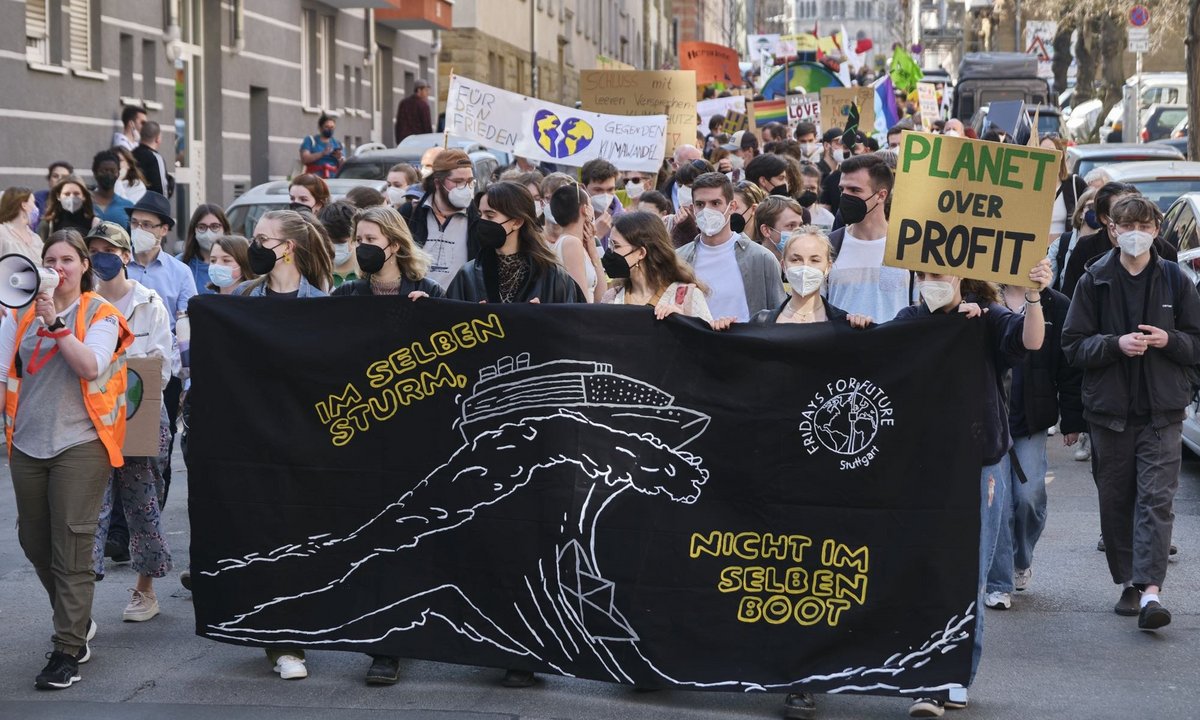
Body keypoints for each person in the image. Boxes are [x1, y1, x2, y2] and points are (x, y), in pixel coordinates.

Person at [902, 258, 1053, 717]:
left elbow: (1031, 341)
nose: (930, 284)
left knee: (968, 573)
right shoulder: (909, 321)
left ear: (960, 277)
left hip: (978, 465)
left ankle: (952, 677)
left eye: (938, 276)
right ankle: (924, 675)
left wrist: (1032, 296)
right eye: (922, 276)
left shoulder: (986, 316)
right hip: (923, 467)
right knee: (924, 569)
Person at [1, 229, 134, 690]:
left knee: (72, 548)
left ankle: (67, 649)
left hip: (82, 444)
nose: (58, 267)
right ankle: (76, 620)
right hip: (27, 444)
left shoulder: (102, 314)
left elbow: (90, 366)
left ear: (84, 267)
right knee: (36, 543)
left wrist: (55, 322)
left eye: (67, 260)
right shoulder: (18, 314)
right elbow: (3, 374)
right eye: (50, 260)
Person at [1061, 195, 1200, 633]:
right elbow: (1072, 344)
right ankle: (1129, 581)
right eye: (1127, 225)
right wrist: (1113, 344)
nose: (1136, 232)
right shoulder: (1093, 280)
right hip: (1110, 413)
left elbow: (1197, 342)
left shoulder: (1177, 281)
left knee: (1157, 501)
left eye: (1144, 224)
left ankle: (1151, 590)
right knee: (1117, 500)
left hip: (1162, 411)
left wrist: (1170, 340)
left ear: (1156, 230)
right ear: (1113, 230)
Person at [84, 222, 175, 619]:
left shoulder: (148, 301)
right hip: (91, 420)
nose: (101, 257)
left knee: (143, 505)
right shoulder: (84, 304)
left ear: (124, 255)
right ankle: (80, 603)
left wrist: (118, 372)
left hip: (140, 416)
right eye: (95, 250)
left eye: (109, 250)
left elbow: (162, 365)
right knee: (90, 509)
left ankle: (145, 591)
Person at [984, 280, 1083, 610]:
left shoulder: (1056, 304)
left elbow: (1068, 366)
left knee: (1028, 498)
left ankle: (1020, 558)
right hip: (992, 418)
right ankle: (998, 582)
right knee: (998, 504)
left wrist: (1072, 420)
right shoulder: (980, 296)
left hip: (1032, 418)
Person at [124, 192, 197, 506]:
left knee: (156, 446)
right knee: (118, 446)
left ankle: (153, 506)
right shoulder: (119, 265)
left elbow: (187, 324)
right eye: (135, 223)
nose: (139, 229)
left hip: (161, 368)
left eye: (147, 224)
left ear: (164, 230)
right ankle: (117, 527)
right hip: (120, 363)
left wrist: (188, 376)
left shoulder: (179, 273)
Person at [675, 172, 786, 322]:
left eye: (715, 203)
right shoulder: (679, 259)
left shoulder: (761, 258)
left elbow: (778, 315)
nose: (707, 211)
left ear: (732, 206)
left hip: (744, 343)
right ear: (692, 208)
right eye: (700, 204)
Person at [446, 182, 579, 305]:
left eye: (490, 215)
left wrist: (541, 318)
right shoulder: (468, 275)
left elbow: (570, 324)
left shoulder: (553, 277)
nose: (482, 221)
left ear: (517, 222)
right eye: (480, 214)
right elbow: (446, 321)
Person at [825, 154, 909, 321]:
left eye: (855, 190)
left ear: (881, 195)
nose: (846, 196)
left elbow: (923, 310)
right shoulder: (829, 246)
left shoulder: (907, 245)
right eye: (842, 190)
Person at [1060, 183, 1175, 302]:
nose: (1129, 213)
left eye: (1135, 207)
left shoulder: (1164, 251)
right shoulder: (1086, 249)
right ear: (1106, 219)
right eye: (1119, 210)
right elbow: (1070, 299)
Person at [601, 210, 715, 325]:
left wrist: (683, 323)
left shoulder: (687, 296)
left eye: (615, 245)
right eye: (609, 244)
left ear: (641, 253)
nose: (610, 252)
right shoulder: (612, 297)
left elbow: (708, 340)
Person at [332, 205, 443, 301]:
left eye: (370, 239)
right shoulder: (347, 292)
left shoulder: (429, 290)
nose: (363, 246)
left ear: (394, 245)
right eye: (359, 240)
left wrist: (427, 307)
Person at [404, 149, 480, 289]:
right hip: (419, 302)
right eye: (458, 181)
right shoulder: (410, 213)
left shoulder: (479, 219)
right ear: (438, 183)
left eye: (469, 181)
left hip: (460, 305)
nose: (465, 187)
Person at [236, 209, 332, 298]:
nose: (254, 246)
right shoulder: (243, 292)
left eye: (262, 239)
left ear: (288, 246)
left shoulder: (317, 300)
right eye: (254, 239)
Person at [546, 184, 603, 302]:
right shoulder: (571, 243)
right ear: (585, 209)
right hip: (581, 318)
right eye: (590, 204)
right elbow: (580, 299)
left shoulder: (579, 243)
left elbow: (601, 296)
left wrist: (593, 253)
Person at [1048, 187, 1099, 293]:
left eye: (1101, 209)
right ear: (1081, 212)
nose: (1097, 212)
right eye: (1092, 206)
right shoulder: (1062, 244)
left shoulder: (1108, 246)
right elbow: (1047, 284)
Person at [178, 204, 232, 297]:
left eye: (214, 227)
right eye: (202, 227)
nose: (208, 233)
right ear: (194, 231)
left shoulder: (237, 264)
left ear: (225, 229)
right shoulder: (180, 264)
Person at [1042, 136, 1087, 237]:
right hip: (1036, 250)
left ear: (1061, 155)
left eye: (1051, 150)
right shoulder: (1029, 188)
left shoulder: (1075, 184)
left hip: (1065, 251)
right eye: (1041, 151)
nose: (1046, 154)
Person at [665, 159, 714, 248]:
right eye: (680, 186)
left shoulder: (717, 223)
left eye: (690, 186)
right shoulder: (668, 222)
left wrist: (688, 228)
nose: (682, 191)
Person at [580, 159, 623, 250]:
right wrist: (596, 235)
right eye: (598, 190)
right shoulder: (573, 219)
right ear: (583, 188)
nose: (605, 195)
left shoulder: (624, 220)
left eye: (610, 189)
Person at [38, 177, 97, 241]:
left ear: (84, 196)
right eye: (67, 194)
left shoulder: (94, 223)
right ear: (58, 196)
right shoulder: (48, 224)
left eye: (76, 194)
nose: (71, 197)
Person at [318, 201, 361, 288]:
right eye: (331, 242)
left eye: (342, 242)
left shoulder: (368, 275)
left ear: (356, 237)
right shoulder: (316, 277)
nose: (334, 248)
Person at [750, 195, 807, 262]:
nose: (798, 232)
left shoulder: (804, 265)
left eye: (800, 225)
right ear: (766, 230)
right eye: (791, 226)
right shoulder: (748, 265)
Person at [89, 151, 134, 232]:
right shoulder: (84, 202)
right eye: (104, 171)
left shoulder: (128, 206)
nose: (108, 174)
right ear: (95, 173)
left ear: (118, 173)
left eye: (112, 171)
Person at [0, 186, 45, 262]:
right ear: (24, 205)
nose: (36, 208)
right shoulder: (2, 232)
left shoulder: (35, 238)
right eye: (33, 203)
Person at [299, 114, 344, 179]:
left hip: (333, 179)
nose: (329, 129)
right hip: (314, 179)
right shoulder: (311, 140)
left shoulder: (338, 144)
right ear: (320, 128)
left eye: (332, 127)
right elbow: (304, 159)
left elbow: (344, 166)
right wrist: (322, 153)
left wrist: (339, 158)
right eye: (326, 127)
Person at [132, 121, 170, 197]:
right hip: (150, 206)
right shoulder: (156, 158)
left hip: (131, 205)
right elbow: (162, 189)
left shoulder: (130, 154)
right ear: (157, 139)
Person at [394, 79, 434, 144]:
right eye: (426, 90)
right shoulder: (423, 105)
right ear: (419, 90)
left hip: (404, 142)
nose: (428, 93)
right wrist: (430, 142)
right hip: (420, 143)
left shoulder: (403, 103)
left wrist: (398, 142)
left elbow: (398, 125)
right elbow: (427, 126)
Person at [799, 163, 835, 230]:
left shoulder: (828, 218)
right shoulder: (786, 215)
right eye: (804, 188)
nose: (808, 191)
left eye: (812, 188)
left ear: (818, 190)